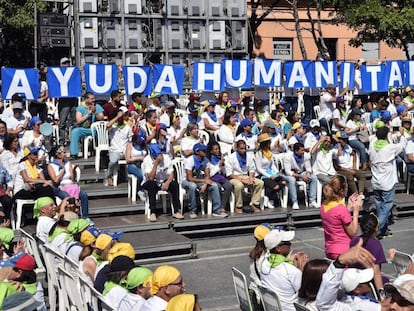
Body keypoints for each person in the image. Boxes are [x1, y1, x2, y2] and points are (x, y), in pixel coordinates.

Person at [369, 126, 406, 239]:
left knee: (380, 205)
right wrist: (401, 135)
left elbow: (376, 139)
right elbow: (402, 146)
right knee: (387, 205)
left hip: (376, 181)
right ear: (386, 136)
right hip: (387, 183)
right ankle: (377, 228)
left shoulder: (372, 146)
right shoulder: (390, 148)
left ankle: (383, 230)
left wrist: (388, 134)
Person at [260, 228, 308, 311]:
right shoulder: (291, 271)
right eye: (287, 243)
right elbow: (305, 292)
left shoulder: (263, 263)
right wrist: (302, 270)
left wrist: (288, 261)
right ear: (278, 248)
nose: (290, 244)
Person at [320, 175, 362, 260]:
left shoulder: (324, 206)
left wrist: (348, 207)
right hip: (343, 250)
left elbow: (337, 220)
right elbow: (353, 232)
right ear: (342, 190)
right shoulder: (341, 209)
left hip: (330, 248)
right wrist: (356, 211)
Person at [181, 143, 226, 218]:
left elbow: (207, 175)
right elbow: (189, 178)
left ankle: (216, 211)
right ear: (197, 151)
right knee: (192, 186)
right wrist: (204, 181)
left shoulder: (205, 160)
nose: (206, 151)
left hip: (200, 180)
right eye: (203, 150)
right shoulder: (190, 160)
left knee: (214, 185)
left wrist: (205, 183)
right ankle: (193, 210)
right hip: (186, 181)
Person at [142, 143, 184, 222]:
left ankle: (176, 211)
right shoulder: (147, 160)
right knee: (151, 185)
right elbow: (151, 177)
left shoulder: (167, 158)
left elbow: (171, 173)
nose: (160, 156)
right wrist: (156, 163)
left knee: (175, 184)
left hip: (164, 180)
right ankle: (153, 212)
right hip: (150, 181)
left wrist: (167, 183)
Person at [350, 213, 388, 294]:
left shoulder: (354, 240)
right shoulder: (376, 244)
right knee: (386, 281)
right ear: (376, 228)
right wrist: (381, 294)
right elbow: (376, 272)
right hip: (368, 280)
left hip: (354, 278)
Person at [47, 145, 89, 218]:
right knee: (67, 197)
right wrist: (62, 170)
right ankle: (68, 216)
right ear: (58, 154)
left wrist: (74, 170)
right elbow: (56, 180)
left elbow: (72, 179)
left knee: (83, 195)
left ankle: (85, 217)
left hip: (70, 185)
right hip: (60, 187)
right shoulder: (51, 166)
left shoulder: (68, 163)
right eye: (63, 152)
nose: (65, 154)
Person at [225, 139, 264, 214]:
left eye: (245, 148)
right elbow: (229, 174)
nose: (244, 150)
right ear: (236, 148)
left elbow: (252, 169)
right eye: (241, 149)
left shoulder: (249, 157)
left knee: (260, 183)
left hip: (246, 176)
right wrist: (242, 180)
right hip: (234, 177)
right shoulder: (230, 157)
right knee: (239, 185)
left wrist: (251, 178)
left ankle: (254, 203)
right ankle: (238, 206)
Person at [283, 142, 318, 209]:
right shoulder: (288, 156)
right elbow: (288, 172)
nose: (303, 152)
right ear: (296, 151)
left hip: (300, 173)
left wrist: (308, 174)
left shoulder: (305, 156)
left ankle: (312, 201)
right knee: (292, 179)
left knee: (313, 177)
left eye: (303, 150)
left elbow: (308, 168)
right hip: (288, 175)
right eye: (301, 150)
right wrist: (302, 176)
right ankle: (294, 202)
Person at [69, 92, 105, 160]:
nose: (93, 100)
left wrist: (95, 112)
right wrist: (87, 115)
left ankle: (102, 151)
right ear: (86, 99)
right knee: (75, 131)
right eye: (91, 99)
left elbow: (101, 118)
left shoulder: (97, 106)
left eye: (94, 98)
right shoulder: (80, 108)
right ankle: (74, 153)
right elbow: (78, 120)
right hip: (85, 129)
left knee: (102, 130)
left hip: (96, 129)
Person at [255, 133, 286, 208]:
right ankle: (269, 198)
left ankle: (268, 196)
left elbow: (272, 165)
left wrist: (276, 172)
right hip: (263, 175)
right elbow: (259, 169)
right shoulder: (259, 154)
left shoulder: (269, 153)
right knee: (275, 186)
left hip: (271, 173)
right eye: (268, 142)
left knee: (283, 182)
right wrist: (269, 176)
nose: (270, 143)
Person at [105, 106, 132, 186]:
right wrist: (117, 116)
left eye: (122, 116)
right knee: (112, 161)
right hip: (115, 150)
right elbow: (107, 126)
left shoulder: (127, 127)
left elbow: (130, 140)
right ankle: (109, 176)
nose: (121, 118)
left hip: (125, 150)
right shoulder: (113, 126)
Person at [334, 131, 366, 195]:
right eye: (343, 139)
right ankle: (355, 194)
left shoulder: (347, 147)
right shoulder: (334, 149)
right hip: (340, 170)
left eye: (346, 139)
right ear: (339, 139)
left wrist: (354, 165)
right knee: (350, 176)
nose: (345, 141)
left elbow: (354, 154)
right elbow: (336, 166)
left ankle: (361, 193)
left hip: (350, 168)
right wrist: (348, 170)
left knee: (361, 175)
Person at [249, 224, 271, 311]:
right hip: (260, 295)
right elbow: (260, 280)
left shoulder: (255, 253)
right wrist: (259, 295)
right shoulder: (264, 258)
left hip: (254, 290)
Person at [206, 142, 233, 213]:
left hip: (221, 177)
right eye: (216, 149)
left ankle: (223, 206)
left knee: (229, 186)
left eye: (218, 149)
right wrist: (219, 166)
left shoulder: (220, 158)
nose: (218, 150)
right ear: (211, 151)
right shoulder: (208, 160)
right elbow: (211, 173)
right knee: (216, 186)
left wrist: (223, 165)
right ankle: (216, 207)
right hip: (212, 178)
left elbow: (224, 172)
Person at [58, 57, 78, 145]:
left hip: (73, 98)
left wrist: (79, 70)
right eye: (64, 63)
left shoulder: (73, 72)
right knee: (62, 121)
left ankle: (75, 140)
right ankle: (62, 141)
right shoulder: (57, 73)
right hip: (63, 100)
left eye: (68, 63)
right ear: (61, 65)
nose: (67, 65)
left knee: (74, 121)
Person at [125, 129, 147, 201]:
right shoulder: (130, 145)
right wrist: (138, 158)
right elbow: (128, 159)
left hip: (143, 165)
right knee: (141, 174)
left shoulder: (144, 145)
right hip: (132, 165)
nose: (141, 141)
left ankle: (146, 189)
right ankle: (140, 190)